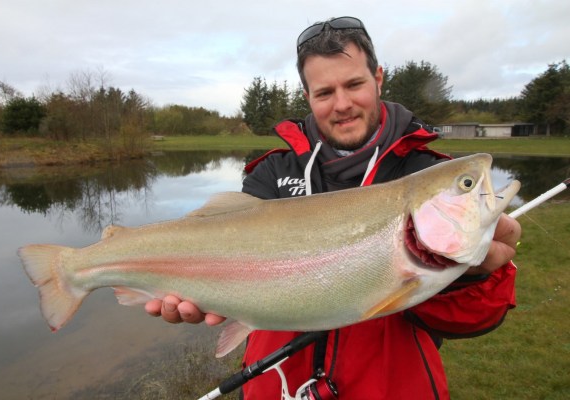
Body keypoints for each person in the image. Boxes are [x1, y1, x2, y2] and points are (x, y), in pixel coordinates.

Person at [145, 16, 521, 399]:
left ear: (378, 78)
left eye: (354, 84)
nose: (342, 104)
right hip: (277, 386)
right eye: (324, 92)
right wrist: (206, 289)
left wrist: (475, 275)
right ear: (307, 97)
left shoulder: (422, 170)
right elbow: (232, 260)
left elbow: (475, 317)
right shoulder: (275, 171)